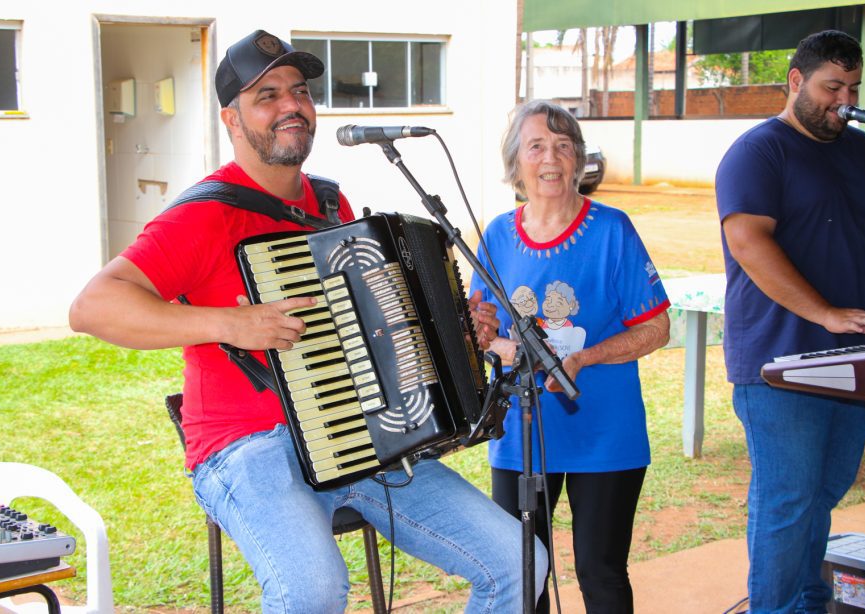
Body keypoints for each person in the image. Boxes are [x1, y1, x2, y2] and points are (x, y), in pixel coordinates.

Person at [70, 28, 547, 613]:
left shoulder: (330, 206)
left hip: (359, 434)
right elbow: (92, 306)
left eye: (298, 91)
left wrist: (452, 329)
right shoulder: (203, 216)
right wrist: (230, 324)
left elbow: (373, 328)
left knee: (519, 561)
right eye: (266, 95)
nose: (291, 105)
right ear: (231, 118)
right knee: (313, 589)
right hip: (246, 446)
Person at [470, 99, 671, 613]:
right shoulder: (495, 235)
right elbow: (482, 329)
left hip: (606, 434)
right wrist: (485, 336)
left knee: (600, 572)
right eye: (536, 145)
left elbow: (656, 328)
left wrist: (586, 357)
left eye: (564, 146)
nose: (551, 158)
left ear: (579, 160)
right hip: (522, 437)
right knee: (523, 574)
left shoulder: (612, 229)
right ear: (516, 162)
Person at [715, 29, 865, 613]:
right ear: (795, 81)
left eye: (853, 88)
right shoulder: (758, 152)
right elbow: (749, 244)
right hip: (782, 364)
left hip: (855, 363)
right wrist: (827, 313)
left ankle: (807, 602)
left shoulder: (861, 150)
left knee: (823, 495)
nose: (844, 101)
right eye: (832, 87)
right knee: (787, 500)